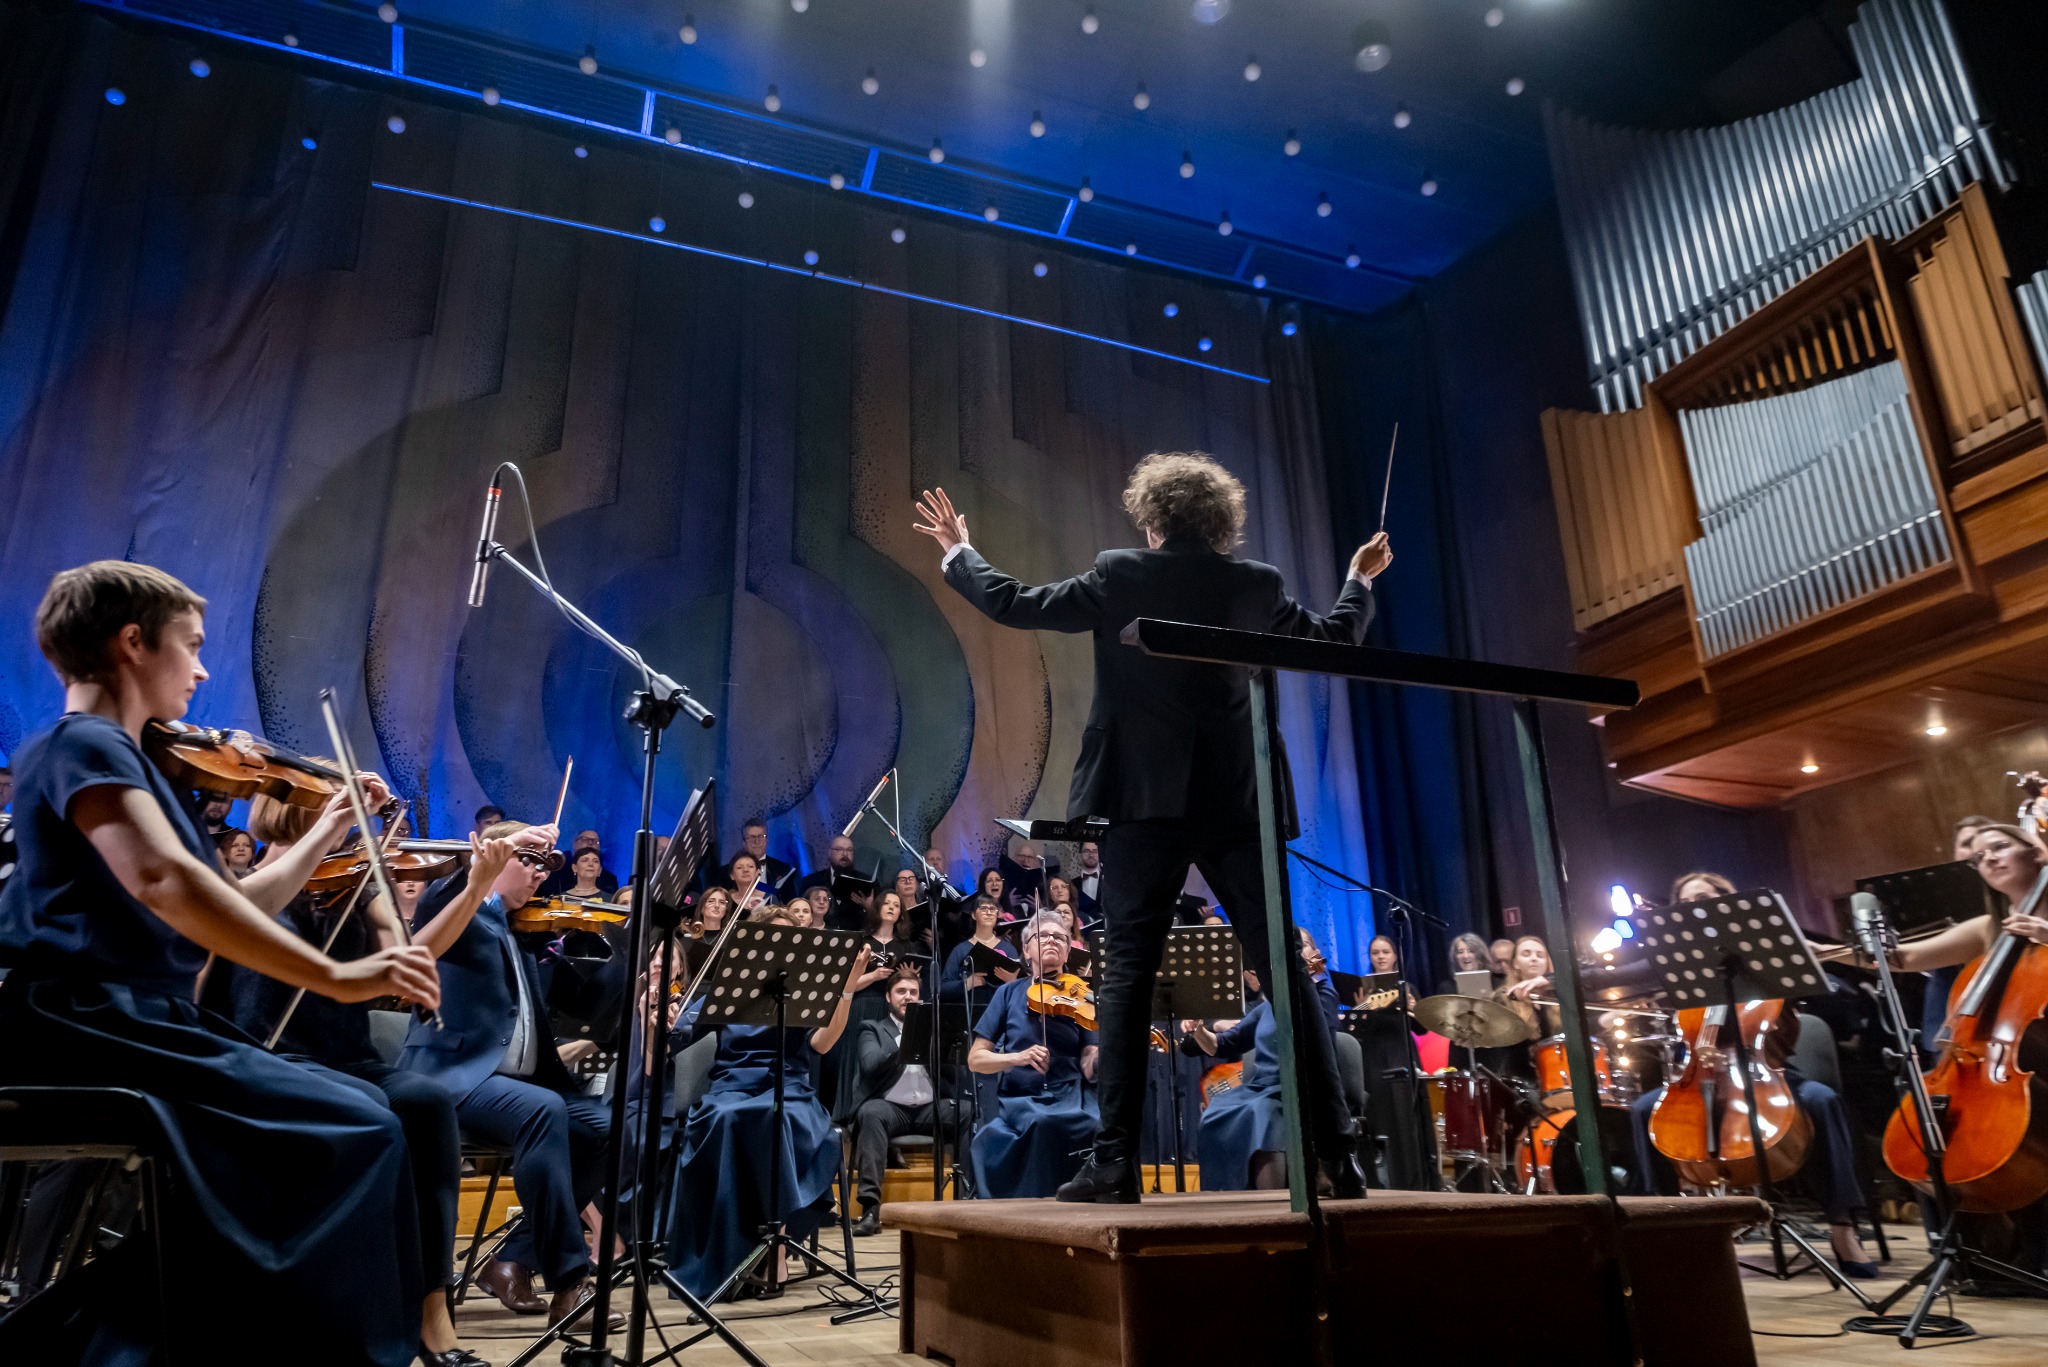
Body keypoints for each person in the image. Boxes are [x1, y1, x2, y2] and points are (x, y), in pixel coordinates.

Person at [0, 561, 440, 1366]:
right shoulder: (83, 741)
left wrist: (324, 828)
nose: (203, 669)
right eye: (192, 646)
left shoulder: (120, 755)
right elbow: (168, 880)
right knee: (361, 1126)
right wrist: (337, 975)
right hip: (89, 1018)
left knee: (352, 1121)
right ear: (133, 642)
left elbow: (229, 902)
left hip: (137, 1018)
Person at [916, 456, 1390, 1202]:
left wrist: (958, 550)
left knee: (1128, 975)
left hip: (1143, 800)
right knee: (1285, 971)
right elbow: (1333, 637)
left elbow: (1017, 602)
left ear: (1153, 518)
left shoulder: (1121, 571)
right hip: (1237, 801)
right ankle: (1341, 1153)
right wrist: (1359, 578)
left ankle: (1114, 1164)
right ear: (1219, 521)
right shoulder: (1256, 582)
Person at [234, 789, 508, 1366]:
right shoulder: (249, 887)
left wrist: (477, 888)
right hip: (274, 1055)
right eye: (333, 806)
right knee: (373, 1113)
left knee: (427, 1102)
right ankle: (354, 1309)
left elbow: (411, 961)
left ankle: (434, 1315)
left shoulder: (352, 890)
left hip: (350, 1056)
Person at [401, 817, 614, 1325]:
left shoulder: (517, 928)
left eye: (546, 866)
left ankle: (514, 1258)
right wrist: (500, 848)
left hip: (513, 1087)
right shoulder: (460, 907)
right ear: (496, 859)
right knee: (542, 1111)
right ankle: (569, 1282)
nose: (541, 874)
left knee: (610, 1129)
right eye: (531, 862)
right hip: (453, 1076)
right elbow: (439, 900)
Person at [1634, 871, 1877, 1274]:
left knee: (1824, 1101)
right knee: (1645, 1110)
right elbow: (1620, 977)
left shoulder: (1763, 951)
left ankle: (1842, 1226)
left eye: (1709, 896)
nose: (1701, 905)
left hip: (1766, 1070)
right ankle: (1660, 1221)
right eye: (1690, 901)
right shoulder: (1684, 963)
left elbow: (1835, 997)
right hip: (1703, 1074)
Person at [665, 937, 870, 1298]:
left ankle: (777, 1244)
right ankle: (727, 1251)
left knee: (776, 1119)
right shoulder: (730, 985)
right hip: (730, 1088)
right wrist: (667, 1019)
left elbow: (821, 1044)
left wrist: (847, 988)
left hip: (789, 1088)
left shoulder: (803, 988)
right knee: (726, 1118)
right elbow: (680, 1035)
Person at [1183, 932, 1342, 1190]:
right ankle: (1228, 1204)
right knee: (1214, 1112)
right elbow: (1224, 1044)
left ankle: (1274, 1208)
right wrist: (1199, 1030)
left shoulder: (1323, 993)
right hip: (1261, 1086)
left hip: (1299, 1085)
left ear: (1315, 953)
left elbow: (1318, 1030)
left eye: (1301, 947)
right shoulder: (1267, 1005)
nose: (1295, 953)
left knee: (1263, 1112)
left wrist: (1299, 992)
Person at [967, 913, 1101, 1198]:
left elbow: (1089, 1061)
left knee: (1095, 1125)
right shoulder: (1008, 993)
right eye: (1042, 936)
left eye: (1060, 937)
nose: (1052, 940)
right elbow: (976, 1059)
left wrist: (1108, 1055)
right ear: (1026, 950)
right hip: (1023, 1095)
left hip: (1072, 1091)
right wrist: (1017, 1058)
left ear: (1068, 949)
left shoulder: (1083, 996)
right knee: (1042, 1122)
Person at [849, 966, 955, 1235]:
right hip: (889, 1108)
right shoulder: (871, 1028)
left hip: (929, 1109)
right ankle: (870, 1210)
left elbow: (954, 1072)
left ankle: (967, 1202)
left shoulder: (936, 1030)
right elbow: (871, 1065)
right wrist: (907, 1039)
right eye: (901, 992)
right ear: (888, 997)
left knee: (966, 1111)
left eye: (913, 992)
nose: (907, 997)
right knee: (870, 1113)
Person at [940, 894, 1019, 1019]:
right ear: (973, 915)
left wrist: (1013, 982)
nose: (988, 912)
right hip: (968, 1015)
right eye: (983, 908)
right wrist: (967, 983)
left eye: (993, 909)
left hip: (1001, 1016)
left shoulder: (1009, 949)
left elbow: (1020, 990)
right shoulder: (960, 949)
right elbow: (943, 988)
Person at [800, 833, 876, 930]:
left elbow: (877, 919)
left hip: (855, 935)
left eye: (849, 850)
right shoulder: (811, 881)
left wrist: (869, 908)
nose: (845, 854)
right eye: (839, 849)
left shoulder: (866, 881)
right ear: (829, 852)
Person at [726, 817, 796, 898]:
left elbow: (790, 901)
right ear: (744, 842)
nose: (757, 842)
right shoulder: (726, 872)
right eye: (752, 837)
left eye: (761, 836)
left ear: (767, 840)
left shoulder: (783, 869)